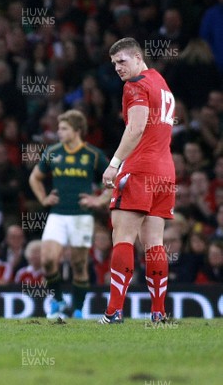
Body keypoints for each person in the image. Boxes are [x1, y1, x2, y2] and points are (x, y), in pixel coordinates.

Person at [100, 37, 176, 324]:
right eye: (114, 64)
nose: (118, 69)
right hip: (165, 171)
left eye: (122, 61)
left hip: (140, 168)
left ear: (137, 57)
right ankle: (158, 312)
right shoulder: (160, 82)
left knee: (123, 238)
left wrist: (114, 164)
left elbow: (136, 128)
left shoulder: (135, 85)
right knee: (154, 242)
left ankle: (114, 311)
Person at [29, 109, 111, 319]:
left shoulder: (93, 155)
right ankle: (57, 300)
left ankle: (77, 309)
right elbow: (35, 178)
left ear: (77, 130)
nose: (59, 132)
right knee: (47, 260)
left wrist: (99, 200)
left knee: (78, 263)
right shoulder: (52, 152)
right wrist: (44, 199)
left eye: (64, 128)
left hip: (81, 216)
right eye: (59, 128)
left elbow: (113, 181)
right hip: (57, 214)